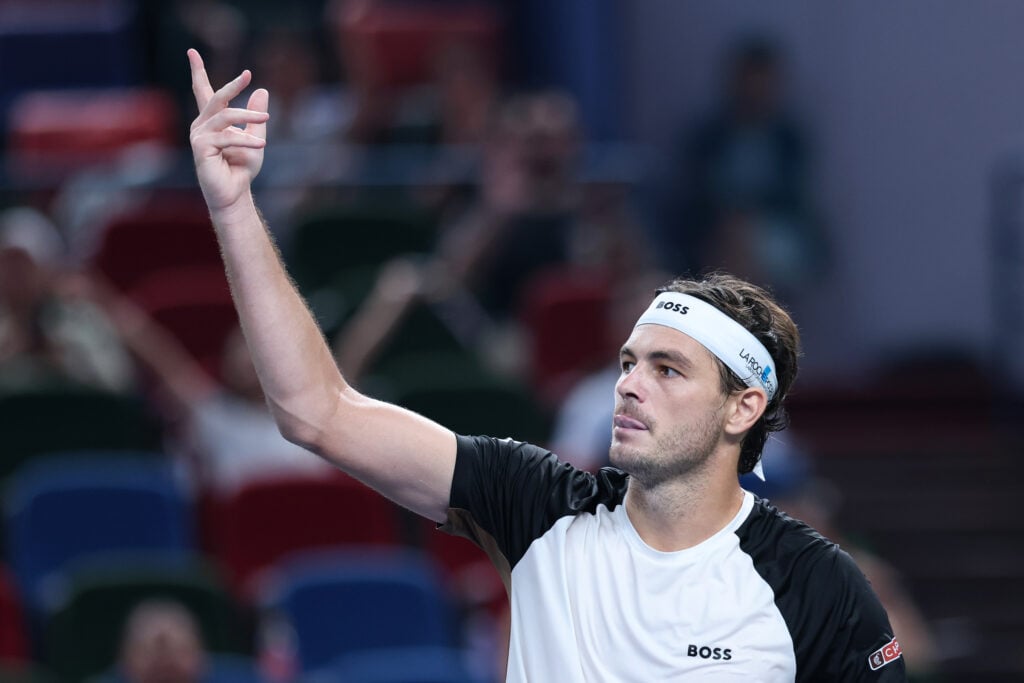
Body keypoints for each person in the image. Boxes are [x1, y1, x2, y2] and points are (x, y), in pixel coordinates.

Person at [186, 49, 907, 680]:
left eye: (668, 369)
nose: (629, 382)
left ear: (742, 407)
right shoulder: (537, 504)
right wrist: (234, 207)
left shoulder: (818, 584)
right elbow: (316, 410)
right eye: (630, 361)